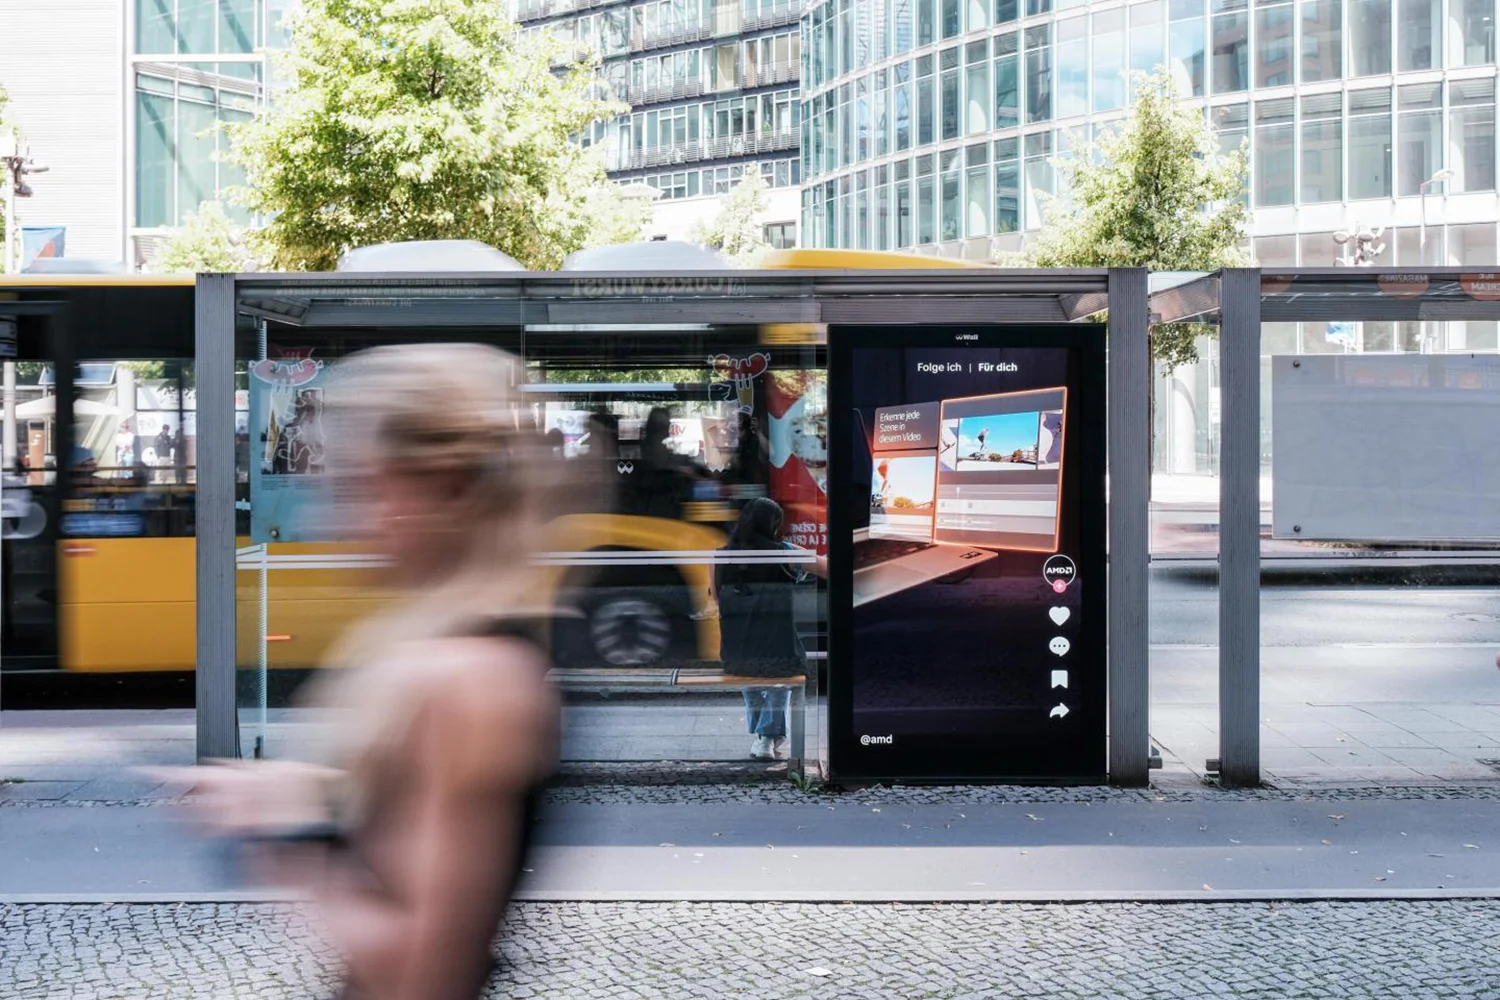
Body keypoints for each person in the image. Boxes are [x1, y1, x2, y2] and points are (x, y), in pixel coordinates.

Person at [149, 344, 561, 1000]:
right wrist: (309, 793)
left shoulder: (466, 681)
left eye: (361, 484)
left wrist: (280, 835)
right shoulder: (434, 646)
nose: (339, 515)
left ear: (444, 490)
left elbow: (418, 971)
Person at [715, 497, 822, 761]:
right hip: (779, 654)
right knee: (783, 668)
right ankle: (766, 737)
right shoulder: (783, 552)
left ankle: (764, 736)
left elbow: (717, 598)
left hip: (736, 656)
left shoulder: (720, 555)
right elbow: (830, 568)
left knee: (756, 671)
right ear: (774, 525)